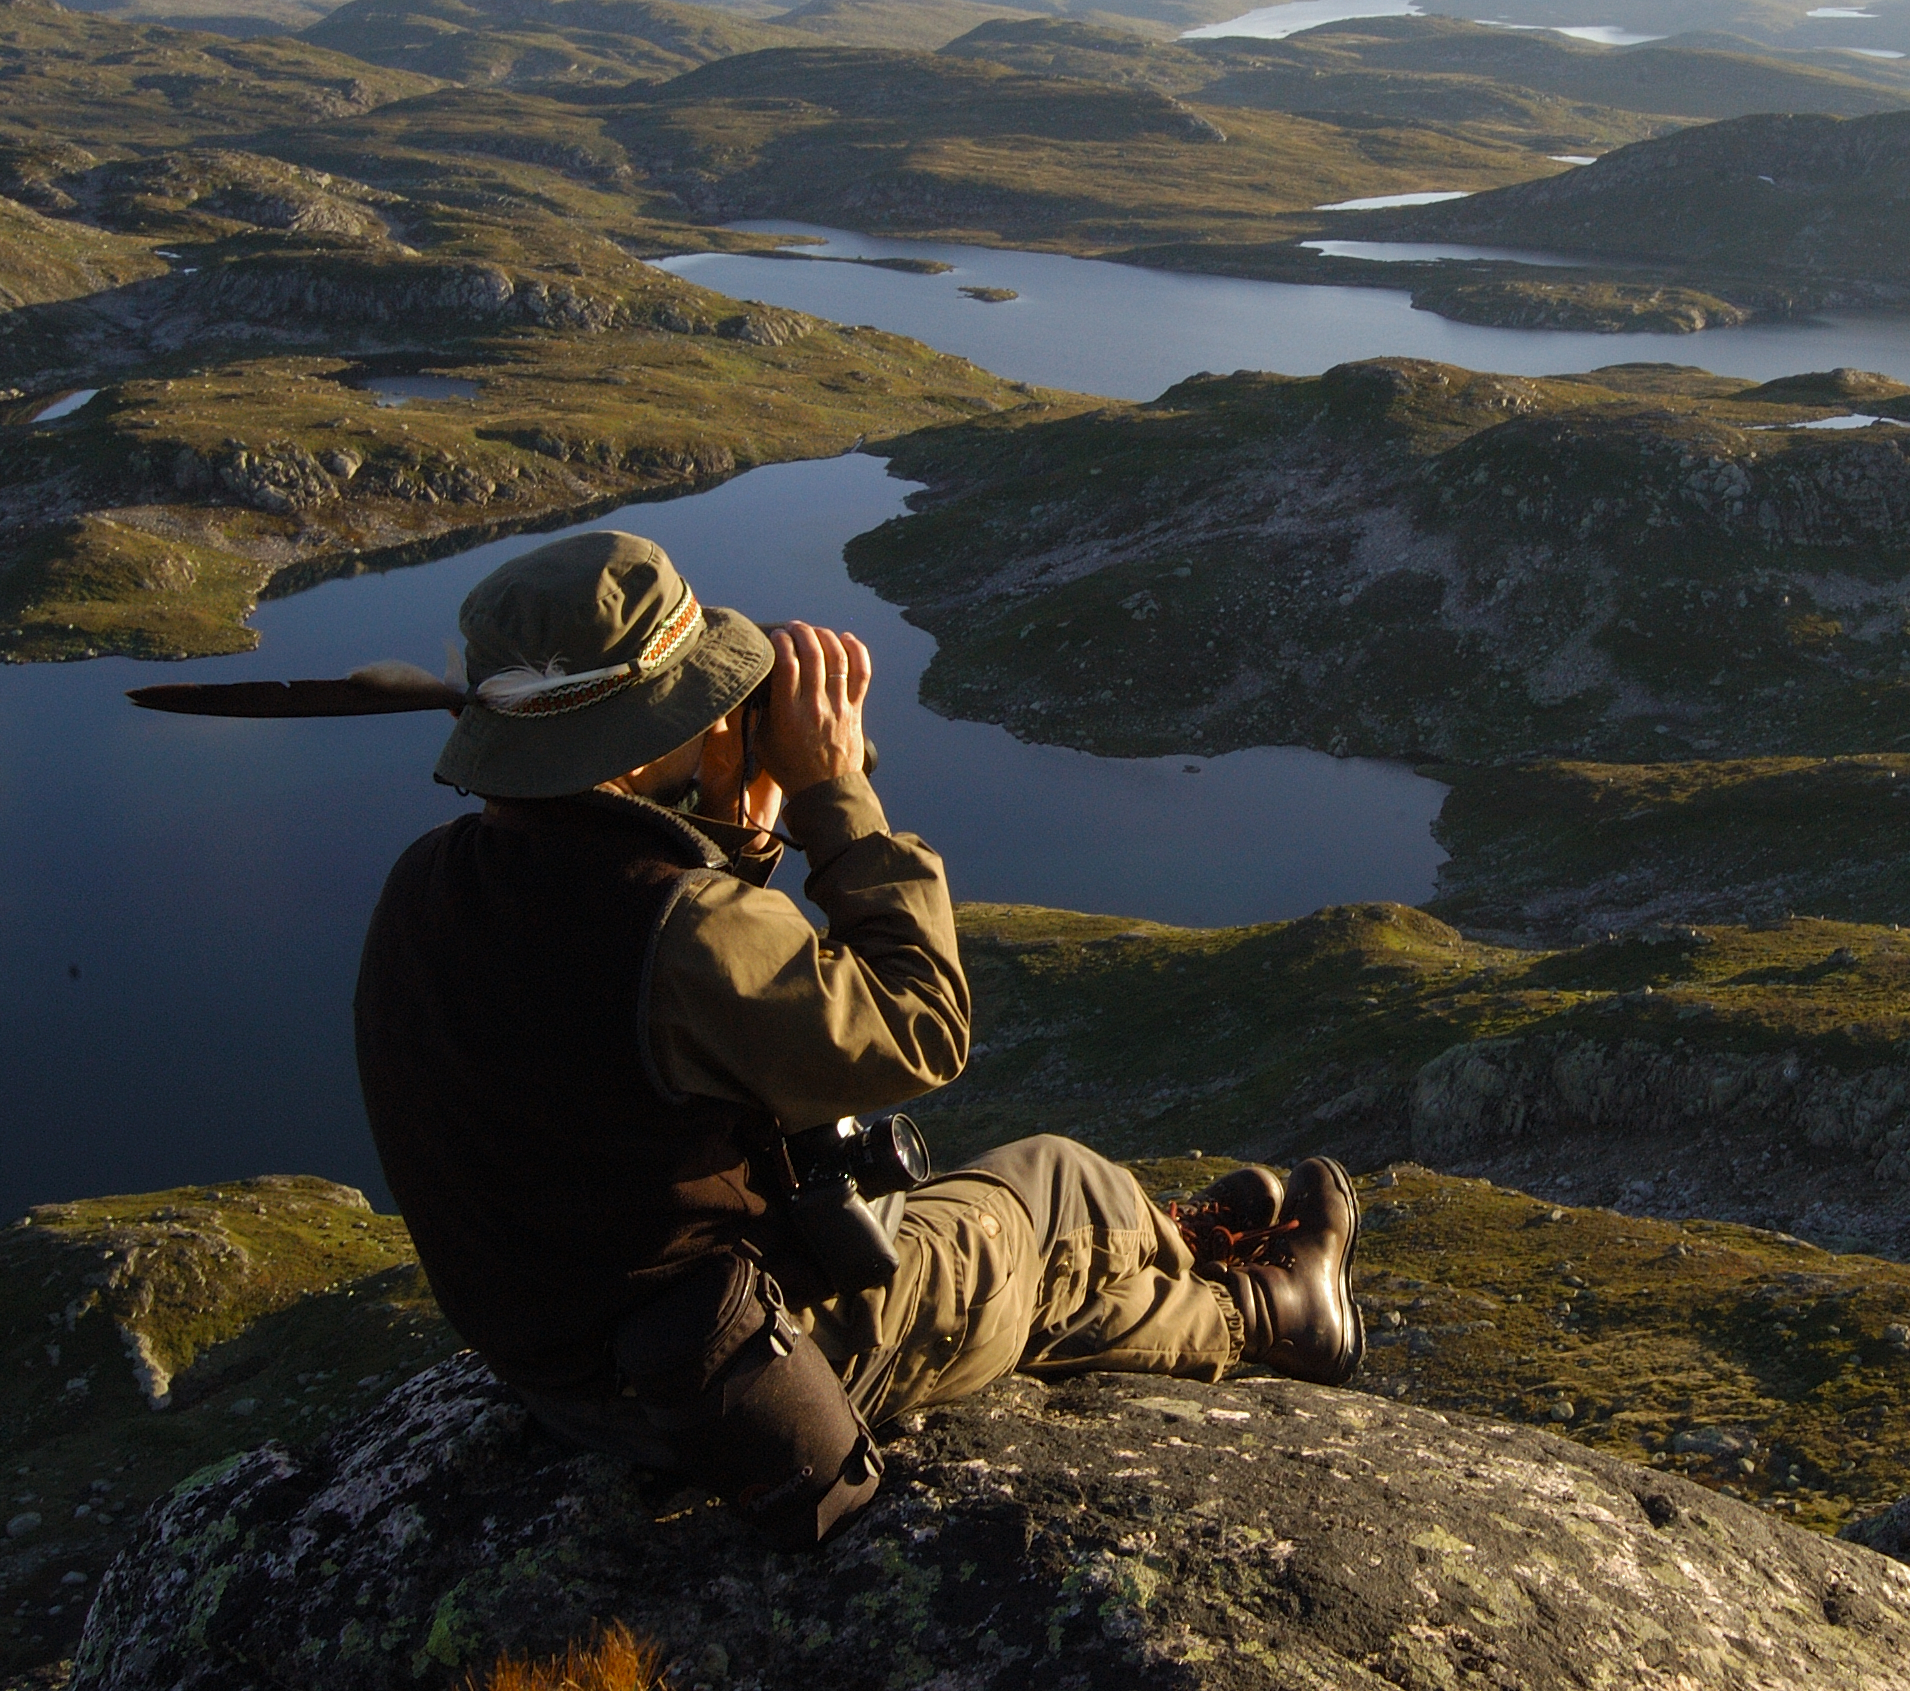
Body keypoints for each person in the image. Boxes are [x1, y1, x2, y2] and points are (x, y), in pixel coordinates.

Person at [353, 529, 1359, 1544]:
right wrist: (833, 790)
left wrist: (732, 836)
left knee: (1044, 1218)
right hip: (736, 1375)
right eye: (694, 698)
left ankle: (1171, 1255)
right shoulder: (684, 928)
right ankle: (1268, 1311)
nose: (716, 714)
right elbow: (919, 1027)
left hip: (568, 1366)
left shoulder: (428, 878)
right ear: (635, 734)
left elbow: (642, 1015)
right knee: (1054, 1186)